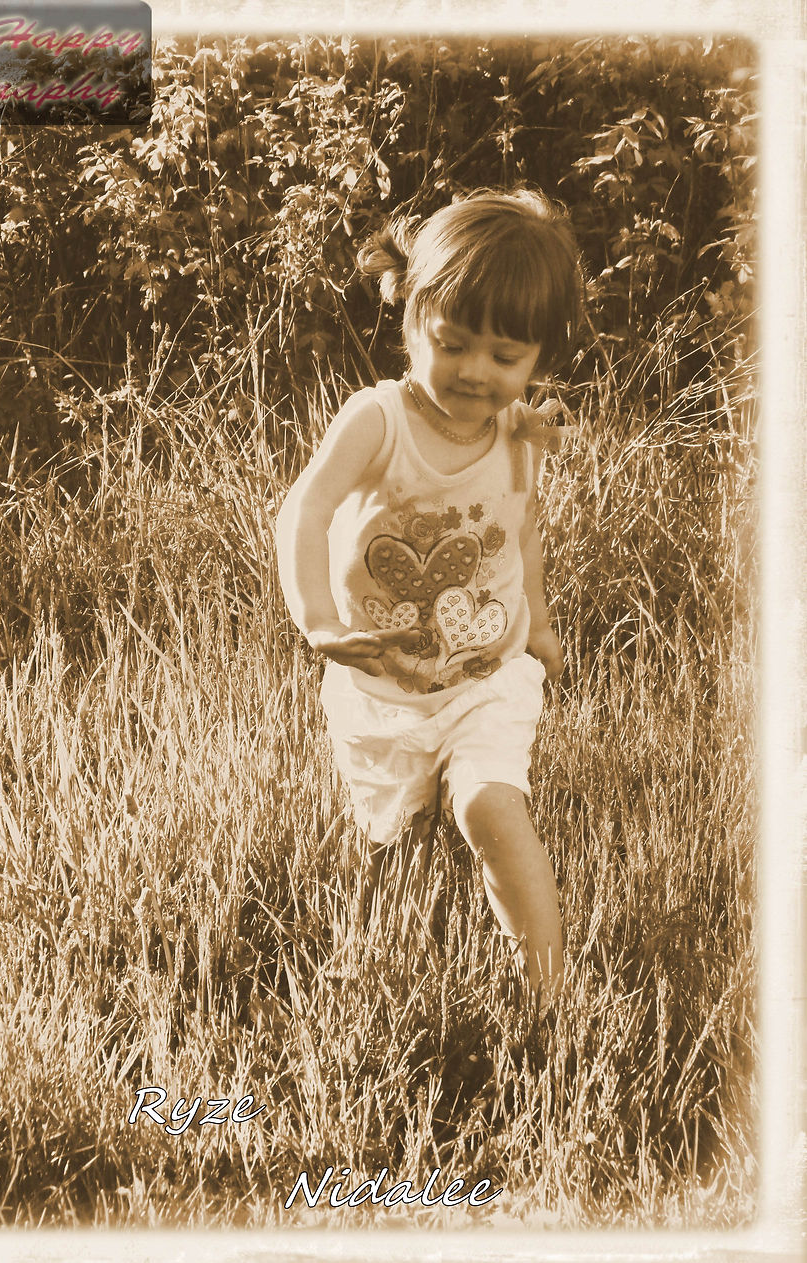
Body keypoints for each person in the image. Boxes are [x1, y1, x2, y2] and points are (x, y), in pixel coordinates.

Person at [275, 188, 584, 1012]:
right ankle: (382, 953)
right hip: (383, 687)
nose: (477, 372)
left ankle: (549, 994)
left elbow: (520, 531)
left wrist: (540, 625)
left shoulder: (518, 433)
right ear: (412, 318)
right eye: (453, 344)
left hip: (487, 676)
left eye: (506, 356)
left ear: (537, 356)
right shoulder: (378, 421)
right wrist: (318, 618)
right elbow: (304, 510)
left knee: (490, 805)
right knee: (392, 842)